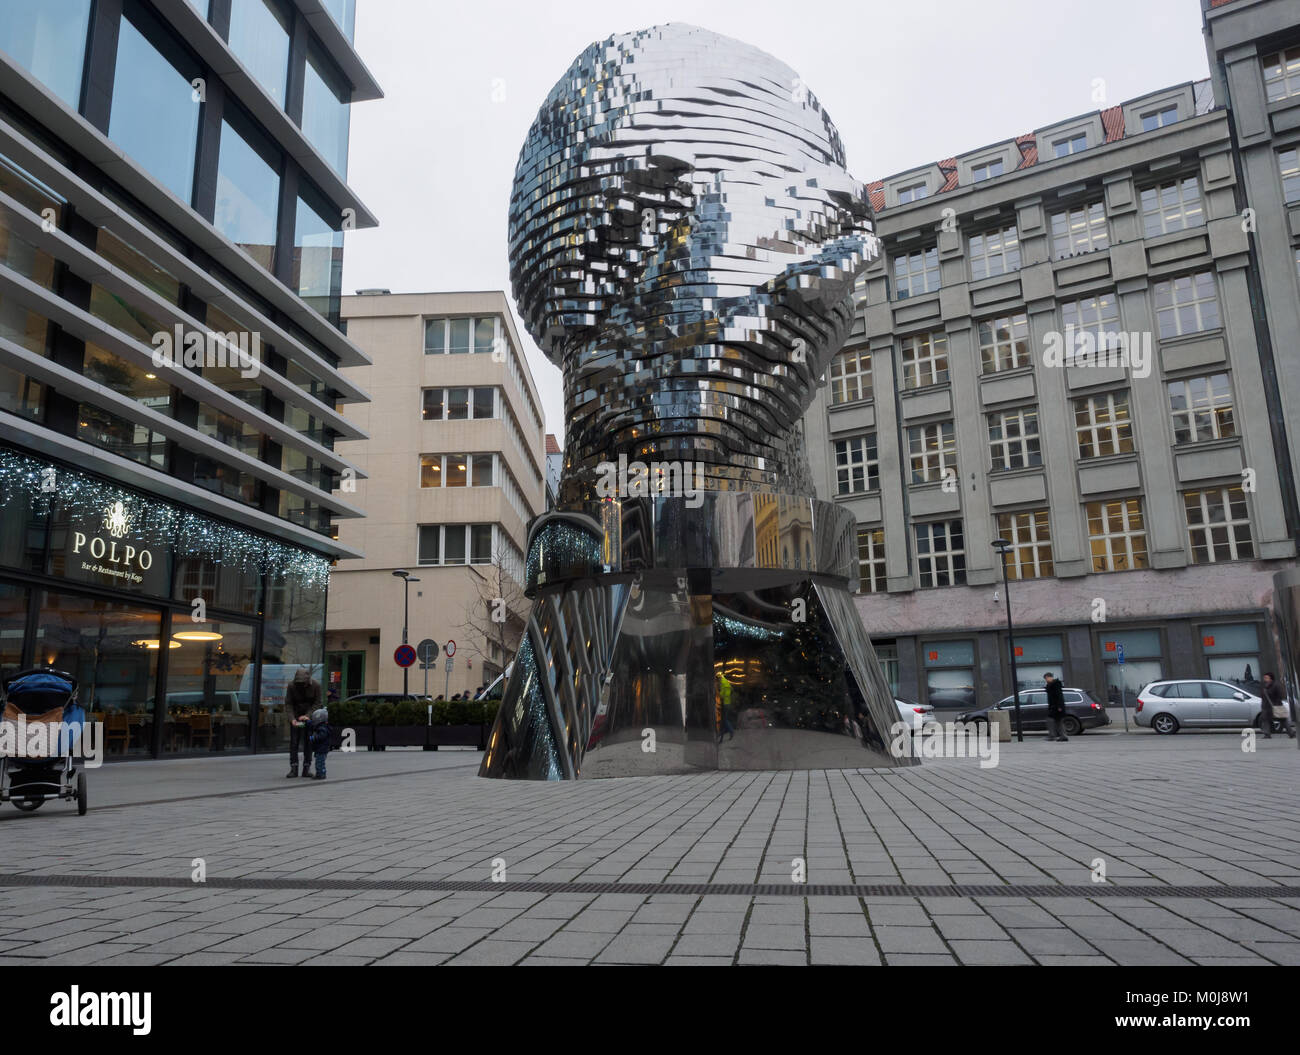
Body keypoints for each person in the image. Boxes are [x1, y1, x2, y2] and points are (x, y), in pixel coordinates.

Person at [285, 667, 320, 777]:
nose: (301, 685)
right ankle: (294, 768)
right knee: (294, 743)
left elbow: (318, 703)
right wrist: (292, 719)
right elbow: (289, 703)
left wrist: (308, 716)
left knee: (308, 743)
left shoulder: (316, 685)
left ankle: (306, 767)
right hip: (296, 718)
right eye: (299, 683)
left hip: (308, 719)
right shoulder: (291, 686)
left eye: (303, 683)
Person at [1260, 672, 1291, 739]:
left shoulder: (1276, 685)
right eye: (1264, 677)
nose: (1264, 679)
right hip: (1266, 707)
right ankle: (1267, 734)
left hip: (1276, 706)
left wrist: (1276, 703)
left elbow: (1281, 695)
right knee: (1265, 720)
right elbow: (1263, 696)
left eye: (1266, 677)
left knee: (1282, 720)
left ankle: (1291, 733)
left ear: (1271, 678)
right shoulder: (1264, 686)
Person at [307, 706, 331, 780]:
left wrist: (313, 737)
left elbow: (321, 736)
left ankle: (321, 774)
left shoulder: (322, 728)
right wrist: (307, 721)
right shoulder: (320, 726)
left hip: (322, 749)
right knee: (319, 762)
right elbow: (312, 725)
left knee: (320, 763)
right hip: (319, 749)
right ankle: (320, 773)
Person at [1044, 672, 1067, 742]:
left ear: (1050, 677)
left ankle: (1053, 735)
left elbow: (1059, 696)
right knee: (1058, 721)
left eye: (1046, 678)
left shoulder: (1056, 685)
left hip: (1056, 707)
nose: (1046, 680)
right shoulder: (1051, 685)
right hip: (1054, 706)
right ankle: (1062, 736)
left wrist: (1059, 706)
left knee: (1051, 720)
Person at [715, 671, 734, 743]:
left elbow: (723, 694)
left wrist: (718, 693)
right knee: (724, 719)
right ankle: (724, 732)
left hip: (726, 704)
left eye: (717, 679)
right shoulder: (725, 682)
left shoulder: (723, 683)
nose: (717, 680)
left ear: (719, 678)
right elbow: (731, 690)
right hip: (727, 703)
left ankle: (731, 731)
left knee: (724, 719)